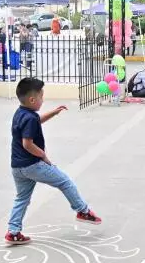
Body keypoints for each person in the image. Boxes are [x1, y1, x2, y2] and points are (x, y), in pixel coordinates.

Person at [6, 78, 102, 245]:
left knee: (22, 198)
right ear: (32, 99)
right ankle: (82, 211)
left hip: (17, 167)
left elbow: (36, 121)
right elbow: (27, 143)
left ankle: (13, 231)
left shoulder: (21, 113)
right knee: (65, 182)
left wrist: (53, 113)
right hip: (32, 165)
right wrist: (43, 156)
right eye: (42, 97)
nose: (43, 101)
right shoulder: (29, 118)